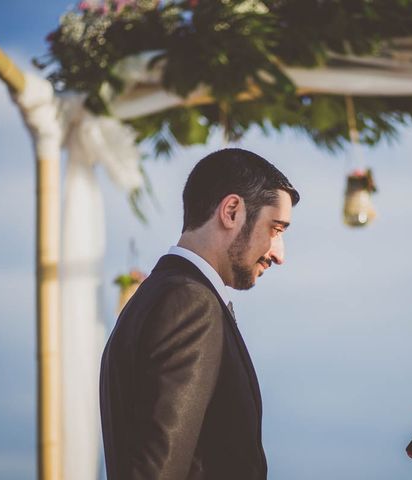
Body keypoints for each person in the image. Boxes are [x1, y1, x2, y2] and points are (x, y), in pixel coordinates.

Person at [100, 148, 300, 480]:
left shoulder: (155, 298)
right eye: (275, 229)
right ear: (232, 211)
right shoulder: (191, 303)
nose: (279, 255)